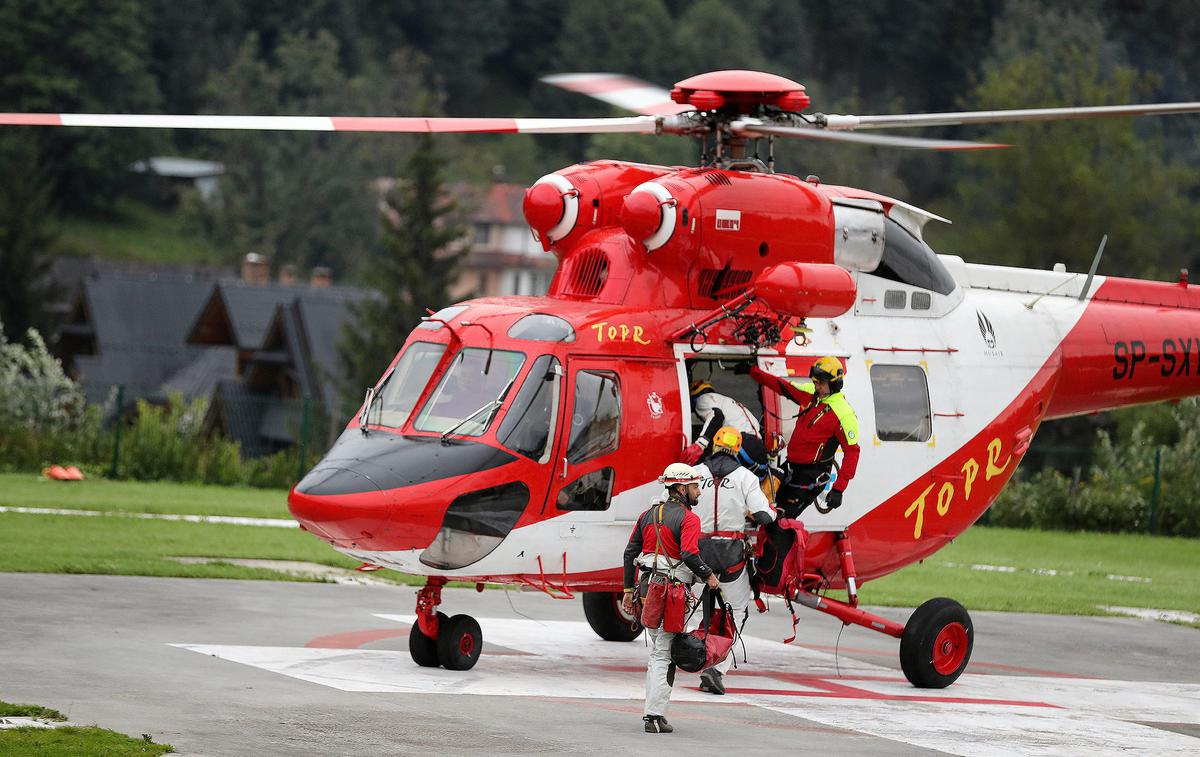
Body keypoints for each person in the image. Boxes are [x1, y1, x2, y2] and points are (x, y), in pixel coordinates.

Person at [622, 463, 721, 734]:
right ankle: (653, 716)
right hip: (670, 593)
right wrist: (709, 576)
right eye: (695, 487)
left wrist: (628, 591)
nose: (698, 492)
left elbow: (630, 554)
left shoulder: (647, 515)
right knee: (662, 654)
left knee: (658, 650)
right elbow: (689, 554)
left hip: (646, 588)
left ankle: (655, 714)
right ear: (681, 488)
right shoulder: (689, 519)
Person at [692, 426, 776, 695]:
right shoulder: (745, 477)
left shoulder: (696, 472)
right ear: (738, 448)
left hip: (697, 554)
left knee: (689, 607)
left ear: (714, 446)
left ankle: (676, 656)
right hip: (730, 556)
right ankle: (716, 668)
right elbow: (764, 515)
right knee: (737, 611)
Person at [748, 356, 860, 517]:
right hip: (791, 467)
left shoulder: (844, 413)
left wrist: (838, 489)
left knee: (781, 522)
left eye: (820, 383)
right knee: (763, 509)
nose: (816, 386)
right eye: (815, 382)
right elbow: (782, 386)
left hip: (811, 477)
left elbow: (852, 453)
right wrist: (753, 372)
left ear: (835, 383)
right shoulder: (810, 394)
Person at [683, 379, 766, 471]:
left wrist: (700, 445)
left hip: (740, 444)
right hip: (758, 447)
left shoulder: (703, 399)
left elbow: (717, 416)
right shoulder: (726, 401)